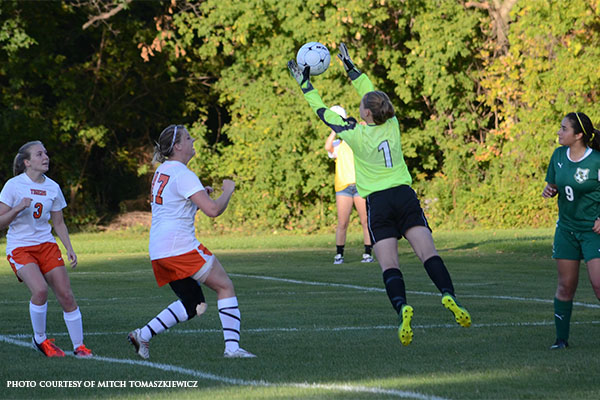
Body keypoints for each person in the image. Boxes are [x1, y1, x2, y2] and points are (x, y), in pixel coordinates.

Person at [288, 43, 471, 346]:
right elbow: (371, 90)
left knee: (390, 265)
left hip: (379, 203)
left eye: (362, 106)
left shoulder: (354, 134)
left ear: (367, 113)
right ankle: (448, 295)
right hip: (404, 195)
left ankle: (403, 308)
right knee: (429, 254)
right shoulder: (393, 124)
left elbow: (321, 112)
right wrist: (350, 67)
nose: (359, 107)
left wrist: (305, 84)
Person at [127, 124, 255, 359]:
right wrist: (227, 191)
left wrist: (197, 196)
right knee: (225, 286)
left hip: (159, 249)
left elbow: (173, 204)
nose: (192, 140)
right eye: (188, 138)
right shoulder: (183, 174)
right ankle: (233, 348)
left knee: (193, 303)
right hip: (180, 247)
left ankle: (142, 335)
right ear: (177, 146)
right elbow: (214, 210)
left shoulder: (162, 170)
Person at [0, 141, 92, 358]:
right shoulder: (13, 185)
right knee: (40, 290)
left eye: (46, 153)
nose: (45, 157)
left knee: (66, 295)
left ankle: (79, 346)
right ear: (27, 162)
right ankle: (40, 340)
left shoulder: (53, 187)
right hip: (21, 248)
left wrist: (69, 248)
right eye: (39, 154)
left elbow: (58, 223)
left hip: (47, 246)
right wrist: (18, 208)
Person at [542, 112, 600, 350]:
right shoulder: (557, 156)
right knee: (566, 285)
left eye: (564, 129)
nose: (559, 132)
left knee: (598, 285)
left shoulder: (596, 160)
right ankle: (561, 340)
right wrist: (550, 190)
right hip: (566, 229)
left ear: (578, 135)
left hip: (592, 231)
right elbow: (554, 184)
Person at [325, 105, 374, 264]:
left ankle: (367, 253)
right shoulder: (339, 144)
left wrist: (362, 125)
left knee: (365, 220)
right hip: (343, 187)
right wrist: (334, 129)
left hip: (359, 186)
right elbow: (327, 147)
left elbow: (369, 131)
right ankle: (339, 254)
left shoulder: (359, 143)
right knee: (342, 222)